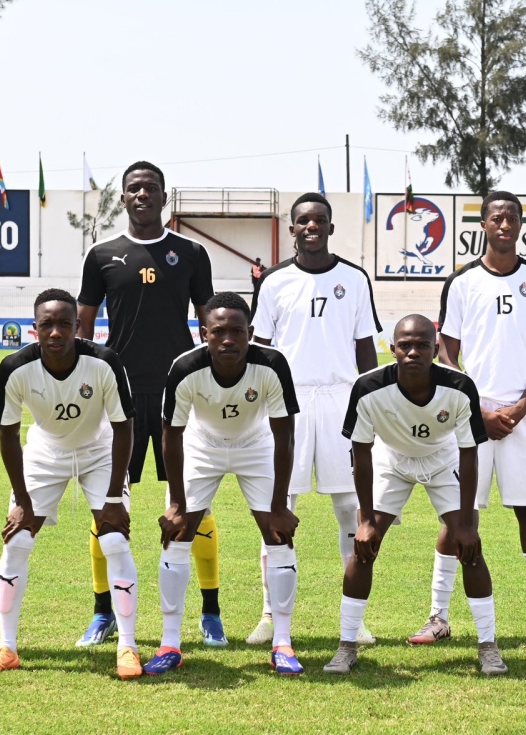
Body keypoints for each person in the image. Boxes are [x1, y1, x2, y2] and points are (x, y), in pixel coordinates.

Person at [420, 190, 526, 646]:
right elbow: (446, 350)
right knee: (457, 516)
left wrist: (521, 408)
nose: (504, 225)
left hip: (522, 415)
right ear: (484, 225)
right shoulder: (463, 282)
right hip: (472, 414)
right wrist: (477, 407)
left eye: (511, 218)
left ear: (520, 225)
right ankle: (438, 616)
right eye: (496, 218)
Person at [76, 161, 223, 648]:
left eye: (150, 189)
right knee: (108, 503)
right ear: (123, 198)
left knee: (192, 504)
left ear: (165, 197)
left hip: (181, 391)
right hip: (119, 392)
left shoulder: (191, 252)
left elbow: (210, 325)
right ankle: (103, 612)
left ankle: (210, 610)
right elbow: (82, 329)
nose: (141, 195)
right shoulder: (102, 254)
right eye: (133, 189)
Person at [324, 315, 506, 675]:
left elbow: (469, 454)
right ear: (392, 349)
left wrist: (466, 522)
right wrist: (364, 520)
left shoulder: (459, 386)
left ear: (435, 349)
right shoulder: (368, 387)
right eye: (405, 345)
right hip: (390, 460)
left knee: (470, 546)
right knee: (364, 547)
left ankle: (488, 646)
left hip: (442, 458)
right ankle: (346, 645)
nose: (413, 351)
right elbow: (361, 453)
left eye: (422, 345)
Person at [0, 289, 142, 679]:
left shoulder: (104, 362)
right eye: (46, 324)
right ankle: (7, 648)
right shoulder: (15, 367)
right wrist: (21, 499)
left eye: (64, 324)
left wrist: (115, 496)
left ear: (78, 327)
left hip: (99, 451)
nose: (55, 332)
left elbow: (123, 428)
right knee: (16, 540)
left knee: (114, 539)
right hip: (45, 454)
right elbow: (10, 434)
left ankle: (128, 647)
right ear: (34, 329)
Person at [246, 192, 382, 645]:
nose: (311, 227)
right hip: (289, 403)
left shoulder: (355, 279)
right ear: (292, 229)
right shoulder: (275, 283)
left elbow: (367, 350)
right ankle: (270, 613)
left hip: (342, 400)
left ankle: (355, 619)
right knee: (280, 508)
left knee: (352, 508)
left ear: (329, 227)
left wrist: (376, 405)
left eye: (319, 221)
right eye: (303, 221)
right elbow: (260, 351)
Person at [146, 292, 303, 675]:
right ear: (204, 333)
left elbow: (284, 435)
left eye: (237, 331)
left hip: (255, 444)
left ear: (251, 333)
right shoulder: (185, 368)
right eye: (219, 332)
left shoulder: (272, 364)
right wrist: (178, 505)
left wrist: (281, 504)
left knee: (279, 536)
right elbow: (171, 435)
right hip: (202, 446)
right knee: (177, 534)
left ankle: (282, 643)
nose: (228, 339)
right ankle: (170, 643)